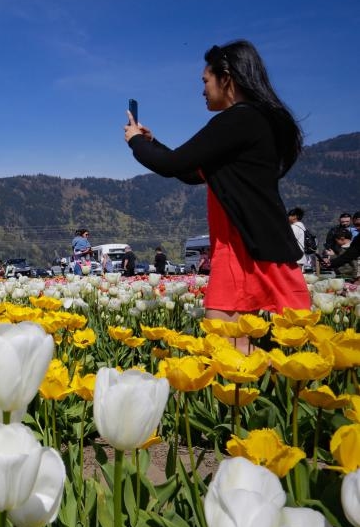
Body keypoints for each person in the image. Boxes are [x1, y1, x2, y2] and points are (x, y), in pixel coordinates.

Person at [124, 40, 309, 349]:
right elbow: (188, 170)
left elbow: (173, 165)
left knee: (249, 355)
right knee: (236, 354)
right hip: (240, 249)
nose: (202, 89)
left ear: (227, 77)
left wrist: (134, 142)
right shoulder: (251, 122)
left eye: (205, 81)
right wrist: (151, 142)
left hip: (254, 252)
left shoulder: (241, 118)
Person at [287, 207, 309, 272]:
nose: (288, 217)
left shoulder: (294, 227)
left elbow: (290, 240)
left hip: (295, 256)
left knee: (294, 276)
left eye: (289, 215)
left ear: (295, 217)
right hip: (301, 256)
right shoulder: (302, 226)